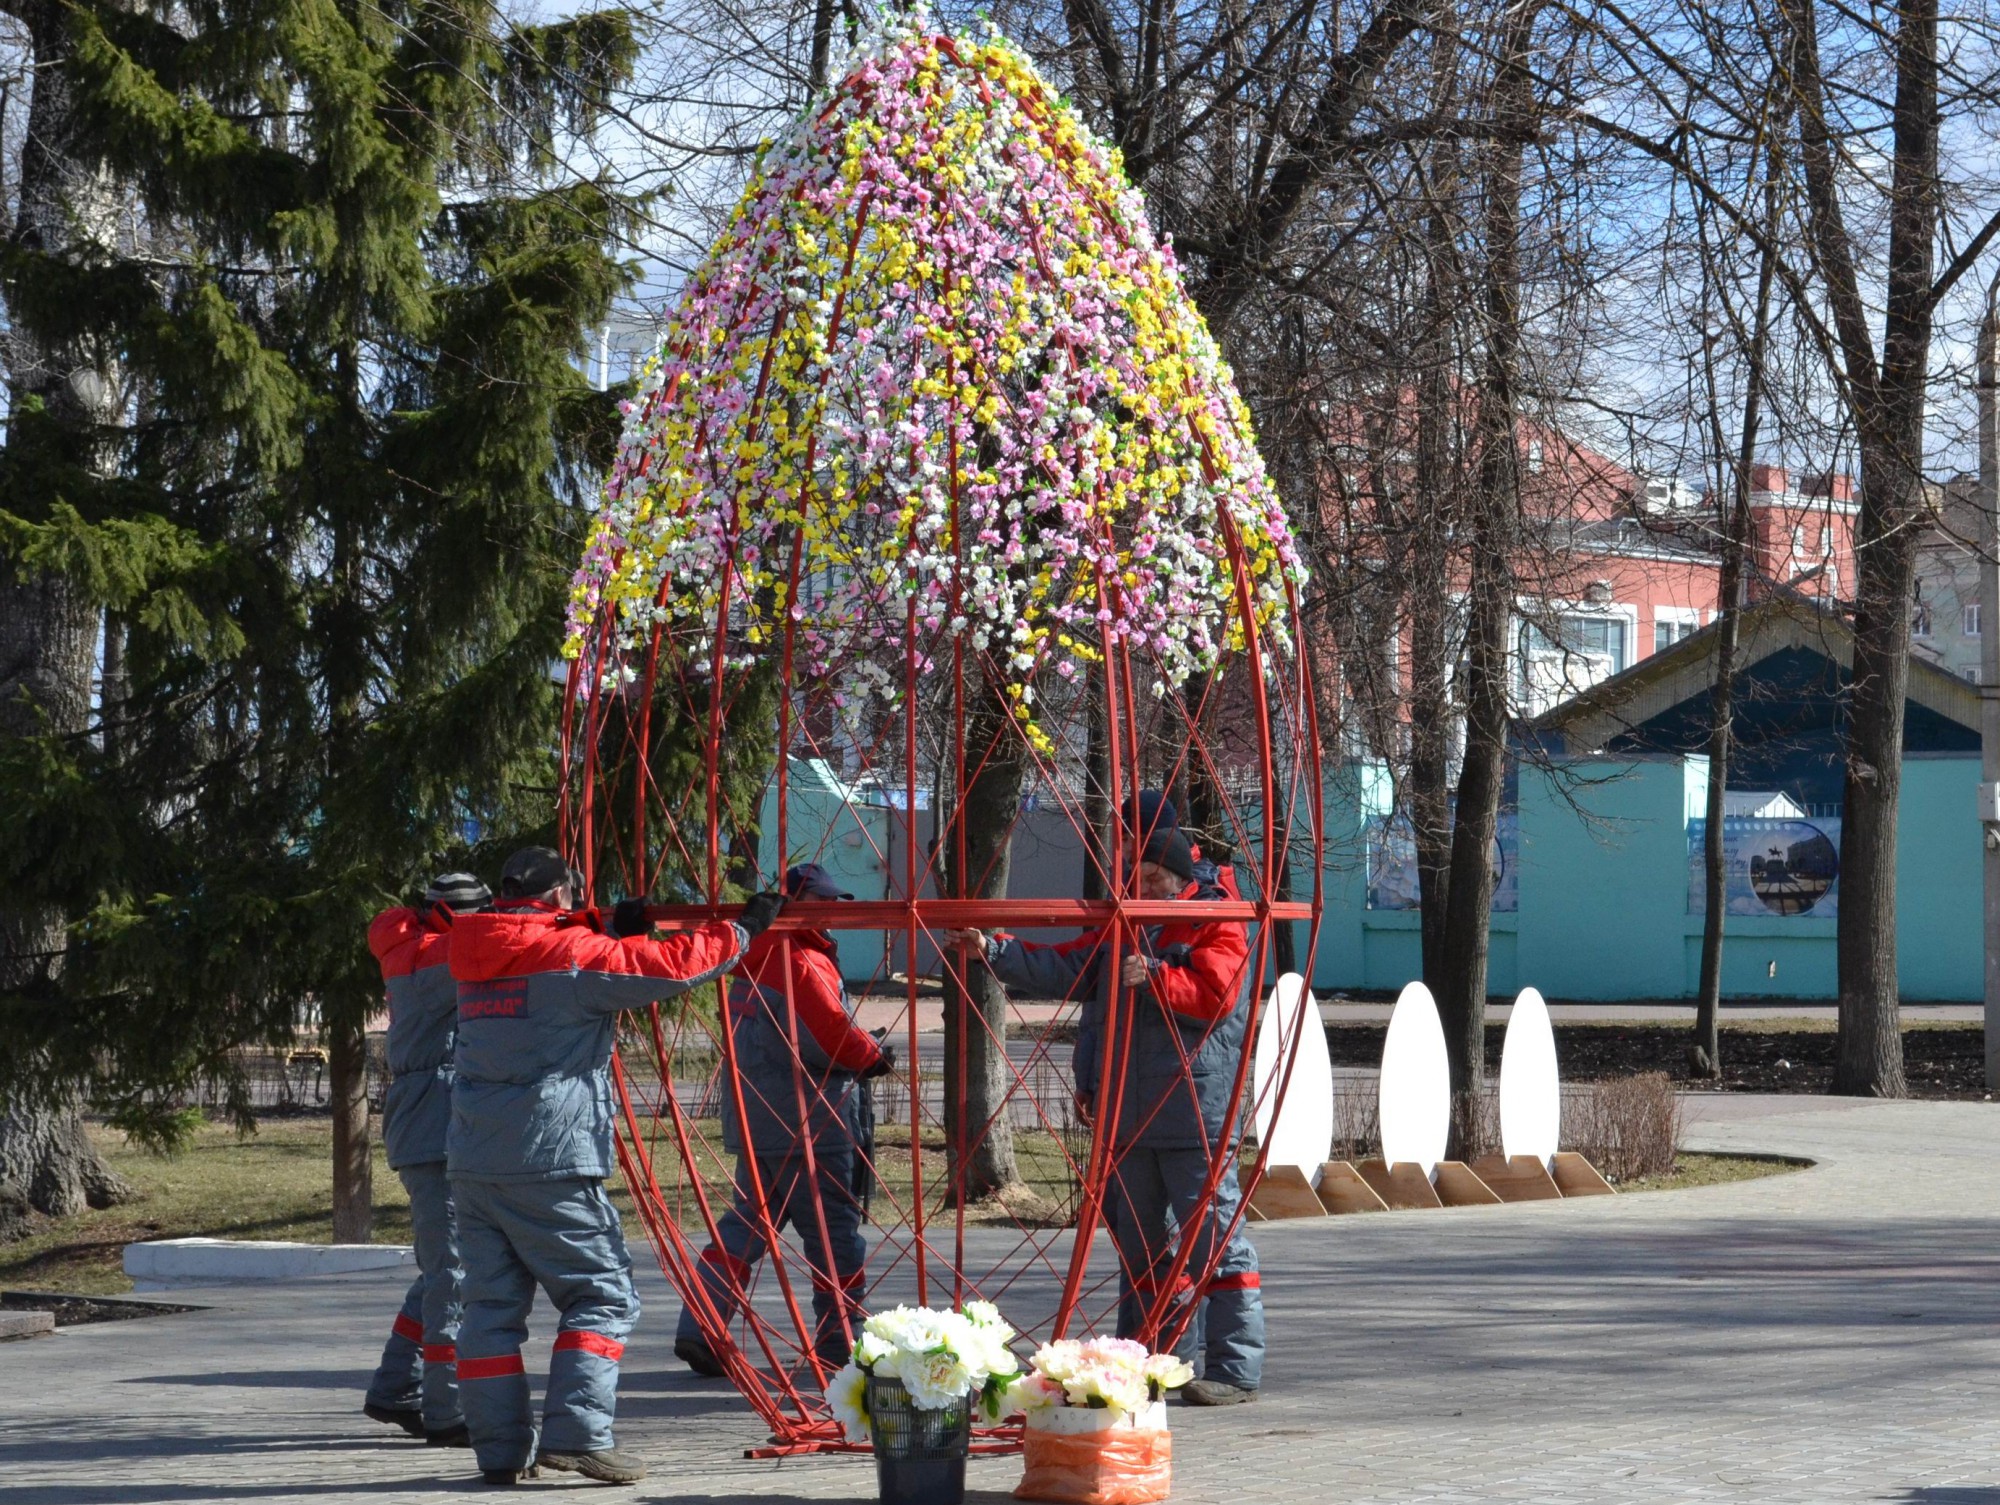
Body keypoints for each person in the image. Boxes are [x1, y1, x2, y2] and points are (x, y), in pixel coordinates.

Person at [448, 846, 783, 1486]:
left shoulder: (476, 953)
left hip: (473, 1158)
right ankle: (577, 1437)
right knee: (601, 1296)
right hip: (549, 1158)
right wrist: (741, 930)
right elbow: (667, 967)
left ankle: (498, 1452)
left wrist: (607, 931)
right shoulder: (571, 955)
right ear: (555, 899)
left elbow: (556, 987)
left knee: (488, 1308)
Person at [946, 802, 1266, 1406]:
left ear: (1179, 874)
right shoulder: (1128, 922)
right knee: (1140, 1244)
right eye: (1134, 875)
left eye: (1152, 879)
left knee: (1215, 1240)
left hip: (1192, 1109)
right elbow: (1070, 965)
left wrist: (1159, 979)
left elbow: (1218, 994)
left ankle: (1235, 1367)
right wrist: (995, 949)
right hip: (1130, 1112)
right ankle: (1155, 1360)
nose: (1141, 887)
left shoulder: (1214, 917)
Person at [674, 863, 892, 1379]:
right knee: (834, 1235)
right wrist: (873, 1056)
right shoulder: (803, 959)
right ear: (798, 905)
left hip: (758, 1123)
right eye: (822, 902)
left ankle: (701, 1325)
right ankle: (841, 1344)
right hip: (810, 1123)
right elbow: (830, 1035)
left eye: (834, 903)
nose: (831, 912)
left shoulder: (752, 953)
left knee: (745, 1226)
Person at [362, 871, 491, 1447]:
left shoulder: (413, 946)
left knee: (440, 1269)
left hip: (426, 1118)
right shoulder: (439, 957)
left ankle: (397, 1387)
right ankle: (448, 1408)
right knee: (454, 1271)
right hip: (435, 1120)